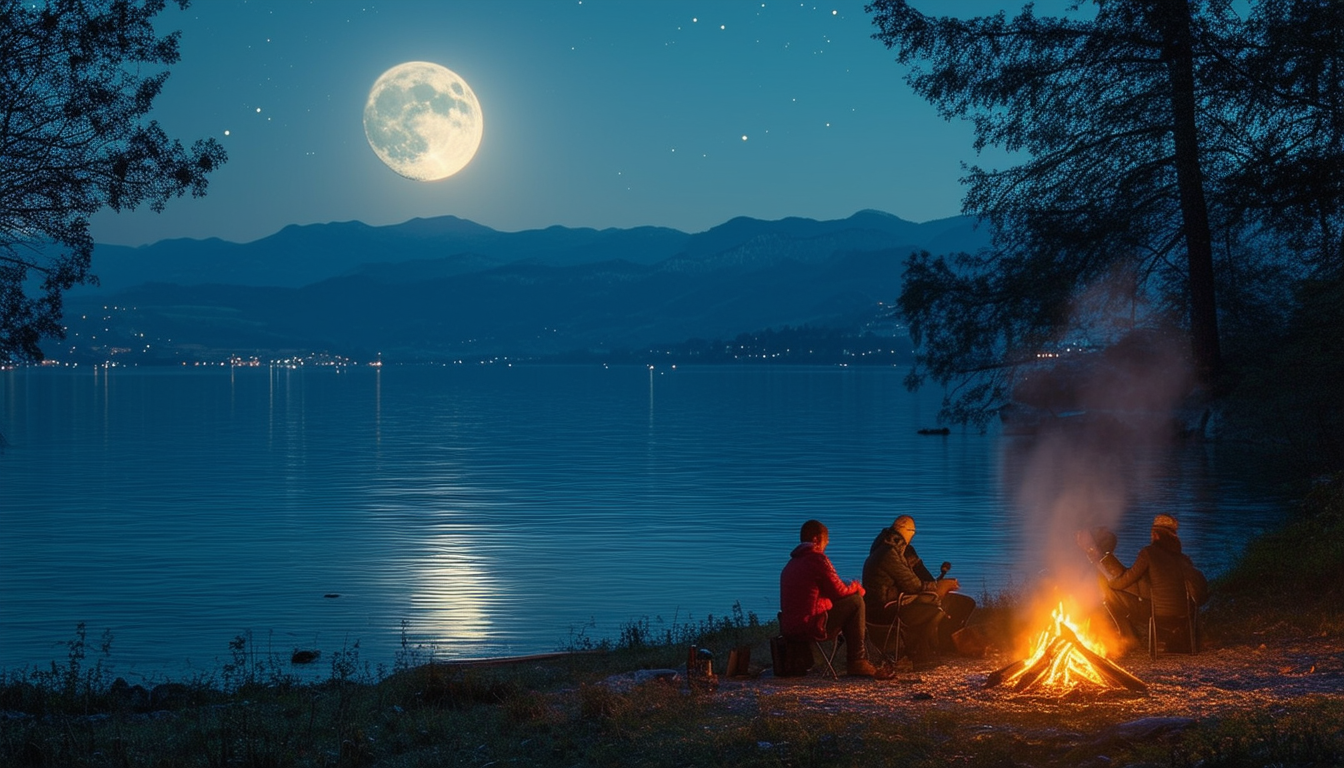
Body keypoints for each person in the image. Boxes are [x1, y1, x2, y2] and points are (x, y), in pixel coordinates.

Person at [1080, 515, 1209, 649]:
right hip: (1184, 616)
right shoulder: (1183, 559)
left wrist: (1110, 582)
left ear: (1156, 535)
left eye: (1152, 534)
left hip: (1158, 615)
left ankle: (1128, 638)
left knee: (1111, 594)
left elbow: (1126, 580)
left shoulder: (1148, 553)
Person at [861, 514, 965, 666]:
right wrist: (938, 587)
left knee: (933, 602)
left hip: (885, 604)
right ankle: (921, 656)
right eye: (912, 531)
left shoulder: (893, 550)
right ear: (905, 530)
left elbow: (916, 579)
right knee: (933, 609)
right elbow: (913, 585)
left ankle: (931, 652)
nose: (913, 535)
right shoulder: (889, 553)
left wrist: (934, 585)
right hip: (883, 609)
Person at [779, 519, 878, 677]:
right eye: (826, 541)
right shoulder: (817, 559)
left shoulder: (790, 565)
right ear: (817, 539)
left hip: (791, 629)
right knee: (856, 602)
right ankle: (857, 660)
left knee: (848, 601)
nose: (826, 546)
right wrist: (855, 587)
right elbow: (838, 591)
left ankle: (856, 659)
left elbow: (811, 596)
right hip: (811, 626)